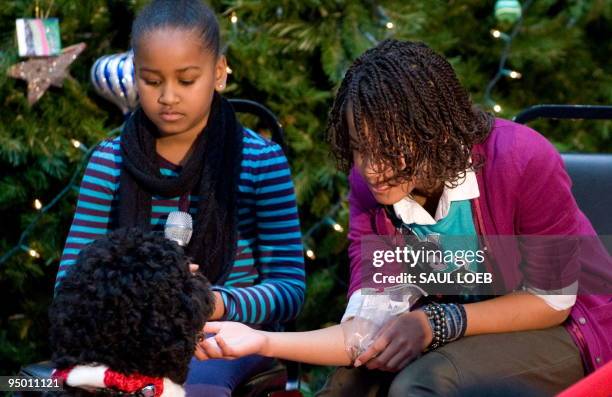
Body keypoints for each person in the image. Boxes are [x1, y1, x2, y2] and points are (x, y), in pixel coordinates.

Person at [196, 39, 612, 396]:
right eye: (361, 147)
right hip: (451, 327)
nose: (372, 168)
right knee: (348, 385)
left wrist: (438, 321)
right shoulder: (371, 189)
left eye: (390, 148)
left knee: (423, 384)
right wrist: (258, 340)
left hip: (569, 329)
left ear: (436, 132)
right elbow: (366, 328)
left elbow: (551, 301)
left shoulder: (522, 158)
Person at [54, 0, 305, 395]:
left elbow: (289, 288)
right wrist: (139, 290)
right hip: (126, 340)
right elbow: (70, 283)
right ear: (136, 75)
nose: (168, 96)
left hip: (223, 341)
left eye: (186, 80)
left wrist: (212, 302)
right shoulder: (108, 162)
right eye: (152, 81)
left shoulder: (260, 162)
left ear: (218, 73)